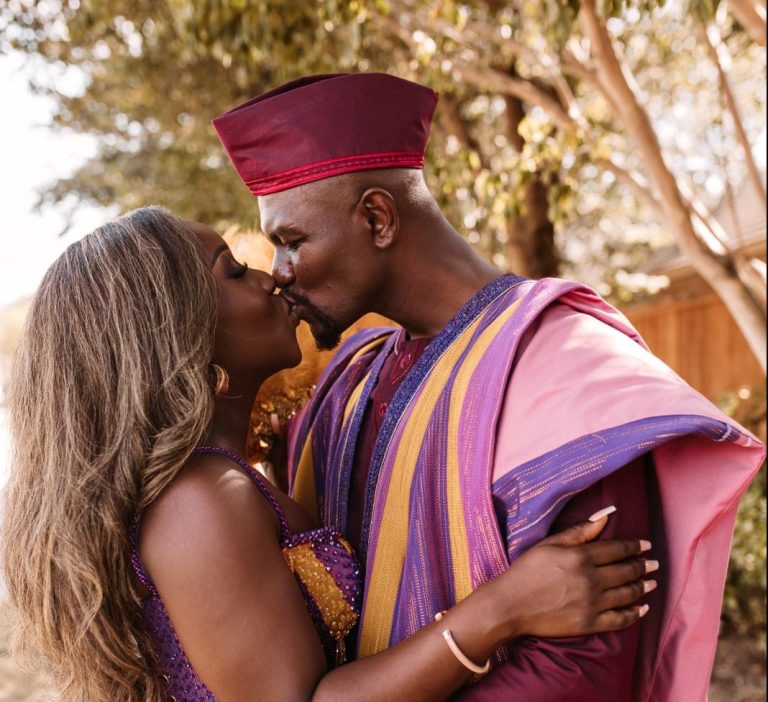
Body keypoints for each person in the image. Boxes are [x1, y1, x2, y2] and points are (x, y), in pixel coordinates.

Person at [212, 73, 766, 701]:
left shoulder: (568, 365)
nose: (278, 274)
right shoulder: (343, 388)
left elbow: (587, 663)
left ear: (376, 217)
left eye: (291, 242)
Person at [2, 206, 657, 702]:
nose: (269, 278)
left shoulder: (236, 476)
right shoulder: (200, 499)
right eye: (234, 270)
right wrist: (504, 610)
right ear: (178, 332)